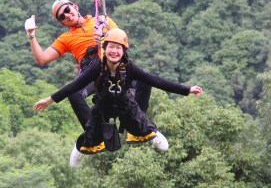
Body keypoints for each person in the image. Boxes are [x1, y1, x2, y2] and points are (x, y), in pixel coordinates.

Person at [33, 28, 203, 167]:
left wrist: (187, 89)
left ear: (123, 51)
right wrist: (49, 100)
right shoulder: (96, 67)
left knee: (139, 124)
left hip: (124, 103)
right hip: (102, 107)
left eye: (118, 48)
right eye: (111, 47)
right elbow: (74, 86)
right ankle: (80, 148)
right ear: (104, 49)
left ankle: (152, 133)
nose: (114, 51)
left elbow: (155, 80)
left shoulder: (129, 67)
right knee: (93, 135)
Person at [25, 0, 151, 130]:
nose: (67, 16)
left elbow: (124, 44)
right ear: (61, 22)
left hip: (115, 67)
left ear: (74, 6)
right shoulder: (65, 38)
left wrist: (104, 37)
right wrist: (31, 36)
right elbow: (42, 58)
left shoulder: (102, 20)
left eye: (67, 10)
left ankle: (136, 125)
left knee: (145, 79)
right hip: (93, 74)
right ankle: (95, 132)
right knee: (74, 94)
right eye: (62, 17)